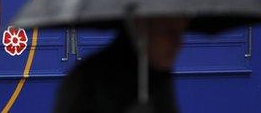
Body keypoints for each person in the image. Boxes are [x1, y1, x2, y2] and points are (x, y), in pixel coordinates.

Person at [54, 17, 188, 113]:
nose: (179, 44)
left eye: (181, 32)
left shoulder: (156, 76)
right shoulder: (88, 81)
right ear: (140, 27)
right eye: (169, 33)